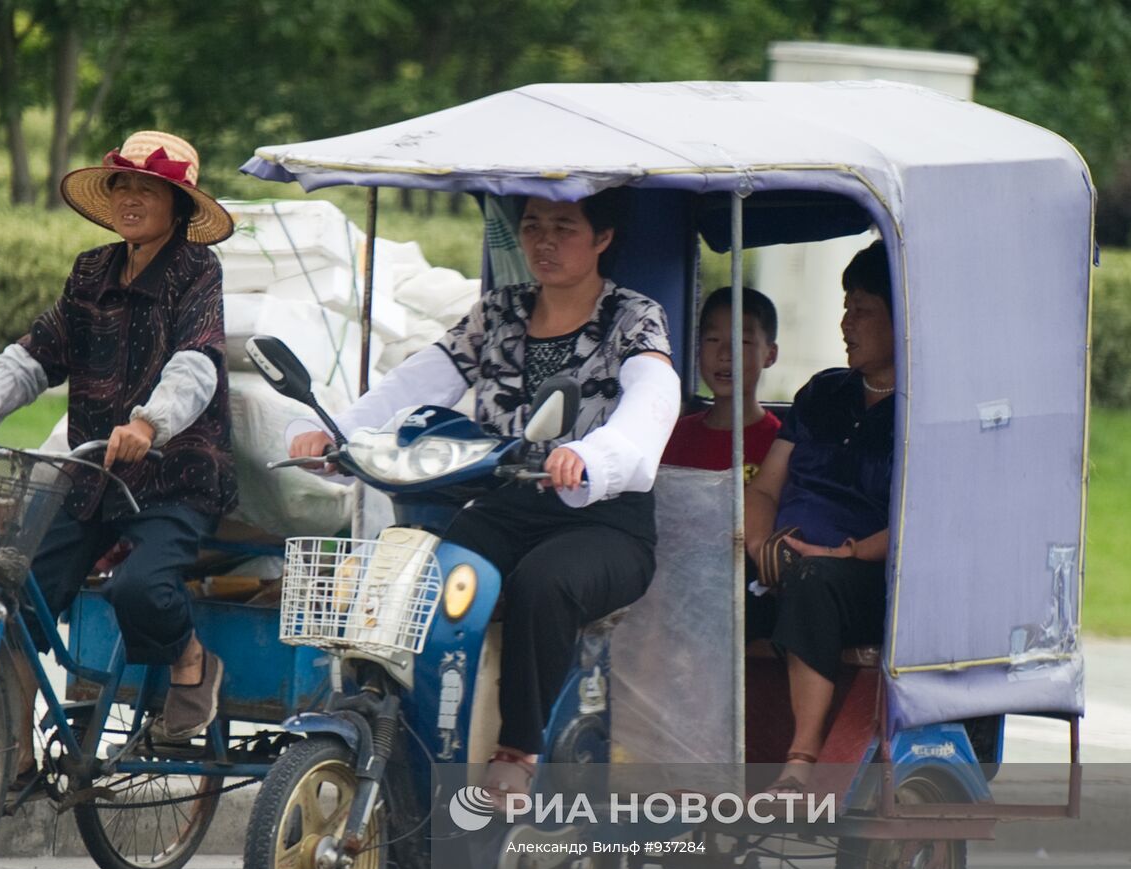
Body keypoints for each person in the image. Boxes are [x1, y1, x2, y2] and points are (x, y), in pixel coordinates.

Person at [288, 189, 681, 798]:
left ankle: (518, 752)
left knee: (543, 583)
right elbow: (418, 381)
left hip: (603, 521)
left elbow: (654, 400)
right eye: (532, 226)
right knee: (422, 574)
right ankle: (399, 730)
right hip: (505, 506)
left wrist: (592, 455)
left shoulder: (632, 316)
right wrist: (336, 434)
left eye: (564, 227)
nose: (544, 241)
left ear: (603, 238)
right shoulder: (499, 311)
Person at [0, 131, 238, 790]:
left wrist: (149, 422)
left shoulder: (196, 272)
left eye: (147, 190)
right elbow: (37, 351)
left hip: (175, 473)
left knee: (140, 587)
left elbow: (197, 362)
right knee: (9, 595)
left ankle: (191, 662)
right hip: (93, 471)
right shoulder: (91, 271)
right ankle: (11, 755)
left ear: (177, 205)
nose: (131, 199)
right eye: (122, 186)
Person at [744, 240, 895, 790]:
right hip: (783, 559)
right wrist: (760, 547)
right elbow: (764, 490)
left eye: (862, 310)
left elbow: (918, 523)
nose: (845, 323)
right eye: (845, 307)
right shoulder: (822, 392)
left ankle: (802, 761)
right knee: (706, 581)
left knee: (814, 579)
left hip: (863, 575)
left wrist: (843, 553)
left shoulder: (925, 409)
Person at [662, 285, 781, 480]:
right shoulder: (675, 435)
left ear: (770, 354)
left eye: (743, 342)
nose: (725, 355)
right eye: (713, 339)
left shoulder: (778, 445)